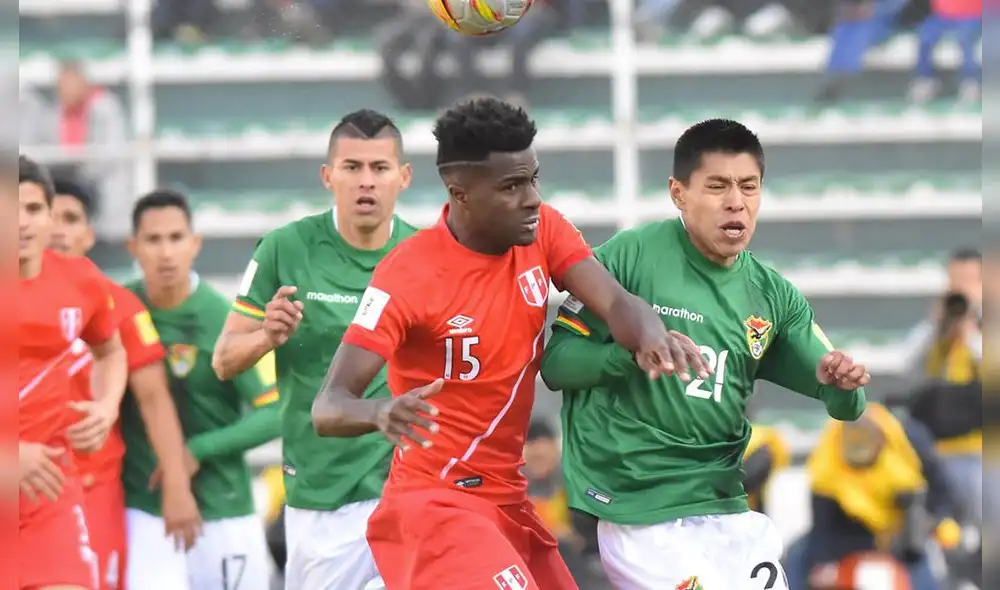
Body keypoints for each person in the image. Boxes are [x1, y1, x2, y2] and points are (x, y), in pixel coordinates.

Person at [310, 97, 709, 590]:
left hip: (506, 504)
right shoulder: (407, 275)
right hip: (436, 506)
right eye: (512, 186)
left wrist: (653, 335)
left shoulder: (543, 232)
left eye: (533, 179)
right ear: (460, 193)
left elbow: (617, 303)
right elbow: (328, 407)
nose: (533, 198)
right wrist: (379, 413)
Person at [539, 119, 871, 590]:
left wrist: (841, 384)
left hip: (727, 512)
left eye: (748, 187)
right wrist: (626, 359)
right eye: (717, 186)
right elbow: (556, 363)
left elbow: (845, 404)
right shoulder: (628, 258)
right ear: (678, 193)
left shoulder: (773, 297)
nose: (736, 202)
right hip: (639, 512)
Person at [212, 109, 419, 590]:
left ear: (403, 177)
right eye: (352, 167)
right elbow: (223, 360)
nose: (366, 181)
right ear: (328, 176)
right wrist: (267, 336)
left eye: (379, 168)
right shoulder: (284, 248)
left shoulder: (426, 254)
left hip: (408, 490)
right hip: (321, 497)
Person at [49, 177, 203, 590]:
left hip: (93, 487)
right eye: (48, 216)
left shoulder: (119, 305)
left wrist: (176, 483)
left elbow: (154, 399)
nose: (58, 228)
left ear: (89, 235)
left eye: (71, 218)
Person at [121, 190, 279, 590]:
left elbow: (275, 411)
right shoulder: (119, 311)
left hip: (223, 509)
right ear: (133, 247)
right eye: (153, 240)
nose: (166, 252)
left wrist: (198, 450)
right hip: (145, 510)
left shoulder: (224, 319)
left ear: (195, 244)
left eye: (176, 238)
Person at [18, 154, 128, 590]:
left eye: (32, 209)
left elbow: (110, 352)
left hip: (47, 491)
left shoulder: (80, 280)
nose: (22, 223)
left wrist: (106, 407)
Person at [785, 404, 962, 590]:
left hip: (903, 535)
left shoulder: (910, 446)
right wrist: (824, 561)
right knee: (798, 556)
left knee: (926, 574)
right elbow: (823, 521)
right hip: (846, 534)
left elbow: (942, 492)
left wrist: (941, 519)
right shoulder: (828, 460)